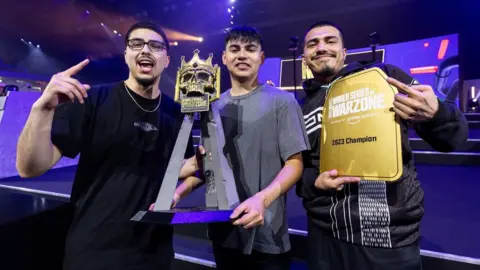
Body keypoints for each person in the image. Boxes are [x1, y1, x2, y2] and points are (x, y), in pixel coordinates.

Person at [16, 21, 201, 270]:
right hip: (94, 250)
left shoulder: (178, 115)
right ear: (126, 55)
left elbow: (186, 169)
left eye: (155, 46)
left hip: (154, 253)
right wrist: (42, 109)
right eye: (137, 44)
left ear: (166, 60)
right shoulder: (92, 100)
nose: (145, 50)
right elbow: (29, 168)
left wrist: (179, 191)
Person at [297, 21, 468, 270]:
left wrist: (437, 113)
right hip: (324, 235)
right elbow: (297, 168)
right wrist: (313, 181)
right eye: (313, 44)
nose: (321, 47)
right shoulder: (299, 108)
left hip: (386, 236)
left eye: (330, 41)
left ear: (344, 53)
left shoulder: (384, 77)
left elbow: (453, 138)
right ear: (304, 58)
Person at [171, 25, 310, 270]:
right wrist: (177, 194)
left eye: (250, 49)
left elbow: (295, 163)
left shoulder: (282, 101)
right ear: (224, 58)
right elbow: (208, 168)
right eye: (234, 49)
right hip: (223, 232)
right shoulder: (212, 105)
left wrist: (262, 199)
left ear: (261, 57)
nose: (242, 55)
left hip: (267, 235)